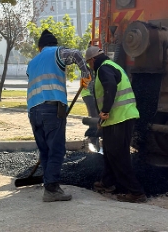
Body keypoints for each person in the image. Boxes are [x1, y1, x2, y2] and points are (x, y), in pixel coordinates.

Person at [26, 30, 92, 202]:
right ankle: (52, 189)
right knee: (56, 150)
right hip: (51, 108)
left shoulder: (32, 62)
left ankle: (49, 184)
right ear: (54, 44)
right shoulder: (57, 52)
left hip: (33, 111)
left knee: (45, 150)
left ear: (40, 47)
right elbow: (77, 54)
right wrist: (86, 75)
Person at [84, 46, 146, 203]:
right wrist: (103, 119)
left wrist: (104, 112)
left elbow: (110, 87)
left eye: (89, 63)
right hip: (118, 118)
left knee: (118, 154)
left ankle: (136, 192)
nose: (90, 66)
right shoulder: (113, 66)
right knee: (111, 152)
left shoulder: (104, 68)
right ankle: (107, 182)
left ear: (92, 60)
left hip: (121, 117)